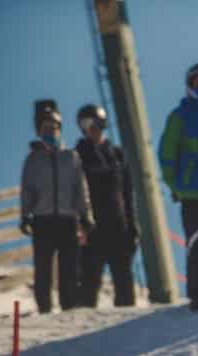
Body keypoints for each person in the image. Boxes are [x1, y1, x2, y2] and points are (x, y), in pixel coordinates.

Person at [159, 62, 198, 311]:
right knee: (197, 243)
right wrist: (175, 184)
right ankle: (197, 296)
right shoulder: (179, 116)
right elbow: (166, 152)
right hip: (192, 190)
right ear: (189, 85)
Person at [20, 100, 93, 314]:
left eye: (54, 128)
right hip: (42, 219)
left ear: (60, 130)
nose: (50, 131)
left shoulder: (71, 157)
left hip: (67, 218)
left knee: (69, 266)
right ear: (39, 131)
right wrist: (26, 216)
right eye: (45, 128)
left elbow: (81, 189)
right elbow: (27, 189)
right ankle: (44, 307)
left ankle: (68, 305)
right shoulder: (33, 159)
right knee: (43, 267)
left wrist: (85, 215)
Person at [75, 104, 137, 308]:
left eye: (93, 123)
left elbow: (128, 192)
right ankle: (82, 330)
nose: (90, 128)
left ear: (102, 123)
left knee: (124, 281)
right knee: (89, 283)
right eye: (85, 124)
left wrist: (132, 225)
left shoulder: (117, 155)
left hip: (118, 226)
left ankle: (127, 326)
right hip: (92, 227)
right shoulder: (77, 156)